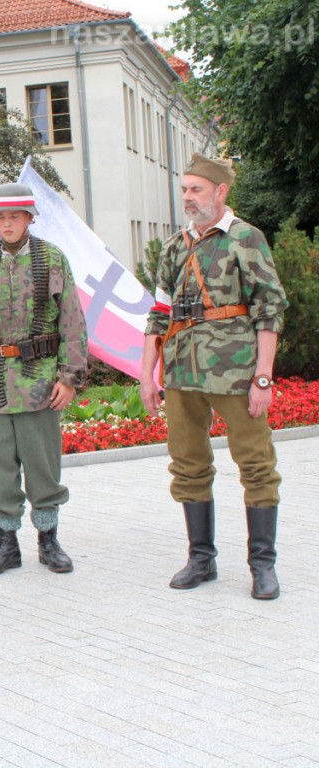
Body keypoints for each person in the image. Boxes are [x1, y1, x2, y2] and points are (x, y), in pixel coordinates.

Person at [139, 154, 288, 600]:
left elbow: (269, 310)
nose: (187, 197)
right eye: (184, 189)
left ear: (220, 192)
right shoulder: (174, 247)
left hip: (234, 372)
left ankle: (262, 565)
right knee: (188, 465)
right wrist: (147, 375)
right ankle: (201, 559)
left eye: (196, 189)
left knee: (256, 465)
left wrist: (263, 378)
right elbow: (158, 314)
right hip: (182, 373)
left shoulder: (246, 238)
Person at [0, 182, 88, 576]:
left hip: (39, 381)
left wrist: (70, 377)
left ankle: (48, 541)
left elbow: (72, 323)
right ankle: (6, 545)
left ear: (29, 218)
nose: (7, 224)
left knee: (42, 464)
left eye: (15, 216)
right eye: (1, 217)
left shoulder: (52, 259)